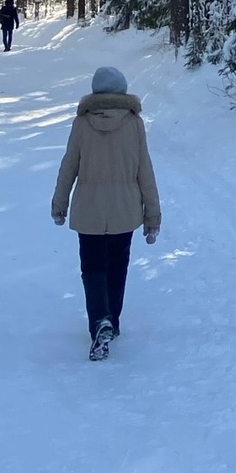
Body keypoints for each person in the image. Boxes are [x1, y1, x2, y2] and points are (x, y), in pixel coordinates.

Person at [51, 65, 160, 360]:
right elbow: (144, 170)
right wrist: (153, 215)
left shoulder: (82, 123)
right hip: (125, 211)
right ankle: (114, 320)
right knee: (117, 266)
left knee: (93, 267)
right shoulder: (134, 123)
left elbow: (68, 166)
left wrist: (59, 203)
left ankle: (99, 319)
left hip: (89, 211)